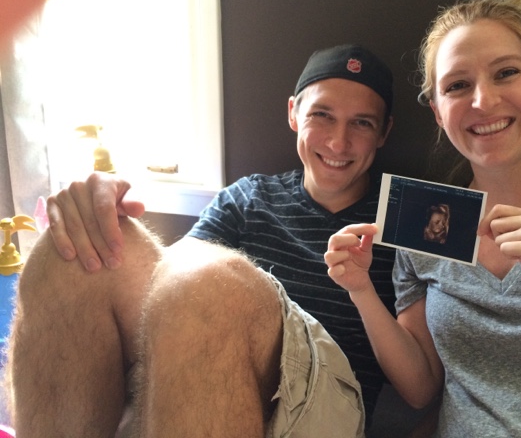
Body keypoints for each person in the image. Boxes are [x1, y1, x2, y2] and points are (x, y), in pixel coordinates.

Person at [6, 44, 399, 437]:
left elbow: (420, 383)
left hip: (327, 405)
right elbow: (174, 283)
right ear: (294, 113)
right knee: (74, 250)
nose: (338, 143)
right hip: (226, 374)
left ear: (384, 133)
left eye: (362, 123)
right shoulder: (248, 198)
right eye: (322, 115)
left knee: (211, 284)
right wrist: (101, 210)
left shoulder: (398, 221)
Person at [325, 0, 521, 437]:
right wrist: (360, 290)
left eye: (506, 73)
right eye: (457, 86)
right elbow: (419, 389)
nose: (483, 101)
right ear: (438, 112)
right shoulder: (421, 221)